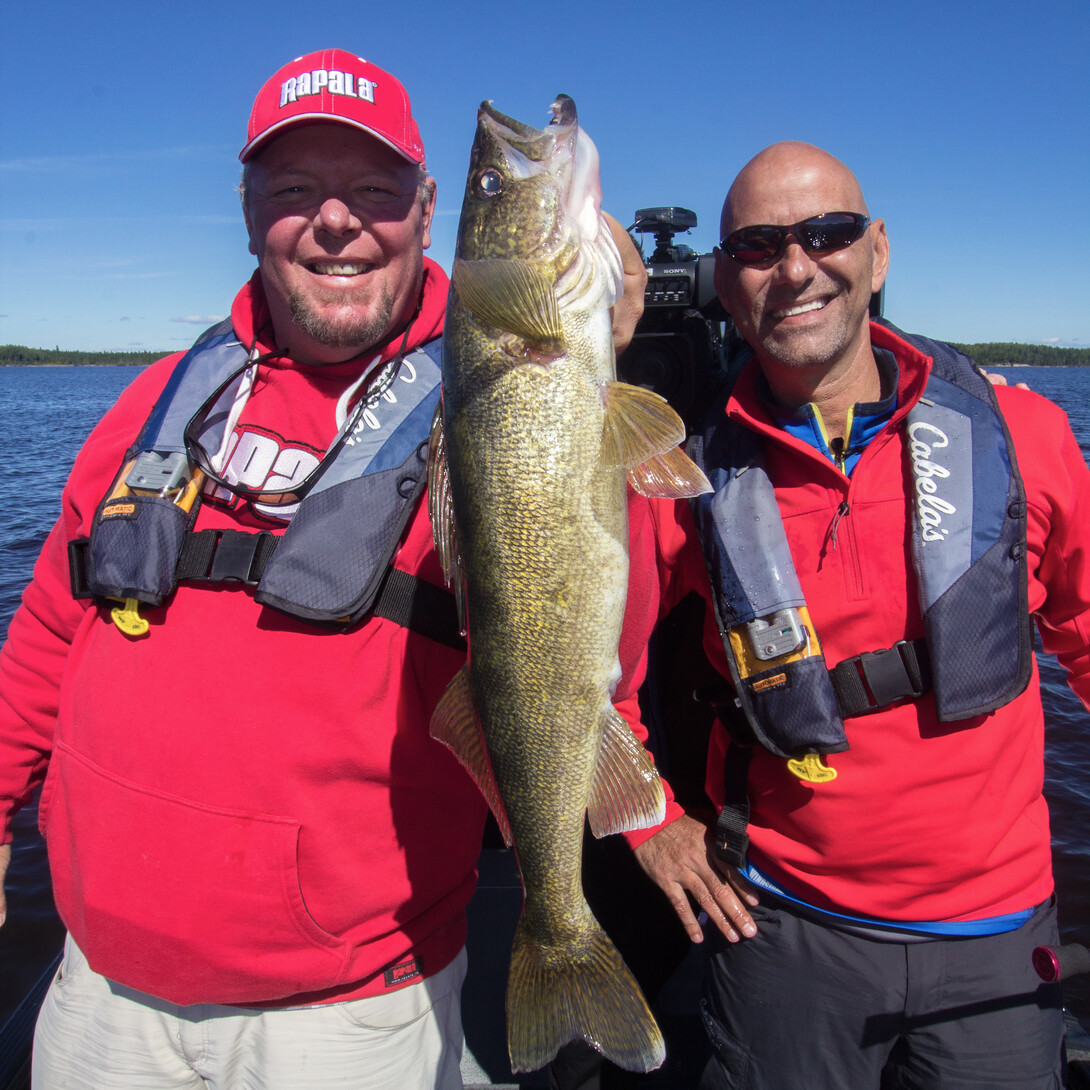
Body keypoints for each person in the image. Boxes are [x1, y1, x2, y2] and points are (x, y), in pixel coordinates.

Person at [0, 49, 648, 1089]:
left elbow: (598, 626)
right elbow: (48, 625)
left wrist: (602, 378)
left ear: (429, 210)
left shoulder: (490, 395)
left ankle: (557, 937)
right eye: (295, 190)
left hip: (348, 1015)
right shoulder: (157, 400)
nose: (334, 221)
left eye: (374, 191)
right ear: (250, 208)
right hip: (100, 995)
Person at [623, 141, 1090, 1089]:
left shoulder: (1023, 435)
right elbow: (584, 672)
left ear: (877, 253)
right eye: (757, 246)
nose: (796, 266)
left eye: (827, 233)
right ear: (726, 277)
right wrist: (650, 825)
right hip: (782, 928)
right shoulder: (676, 474)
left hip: (997, 933)